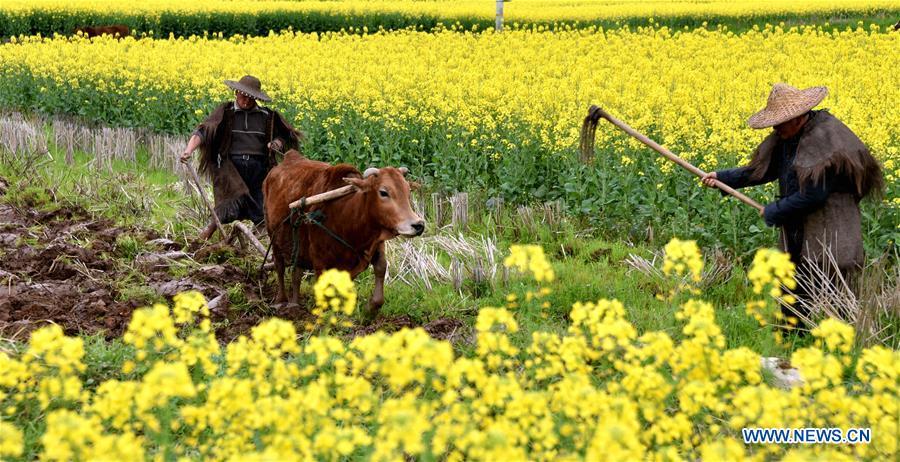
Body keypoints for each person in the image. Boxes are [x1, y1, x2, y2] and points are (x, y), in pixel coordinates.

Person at [702, 83, 883, 327]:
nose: (775, 127)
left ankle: (843, 348)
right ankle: (791, 344)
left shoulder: (825, 140)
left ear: (798, 118)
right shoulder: (787, 137)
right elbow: (762, 170)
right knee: (792, 285)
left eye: (780, 122)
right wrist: (723, 178)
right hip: (798, 223)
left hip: (831, 225)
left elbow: (814, 196)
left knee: (835, 290)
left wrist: (775, 210)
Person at [181, 75, 301, 240]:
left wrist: (276, 144)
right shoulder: (226, 112)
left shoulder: (268, 116)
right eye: (243, 96)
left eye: (251, 98)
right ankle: (204, 236)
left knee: (262, 208)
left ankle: (260, 244)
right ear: (236, 92)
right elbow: (203, 131)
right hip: (232, 168)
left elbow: (286, 135)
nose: (246, 101)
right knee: (227, 203)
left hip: (259, 169)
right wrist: (188, 150)